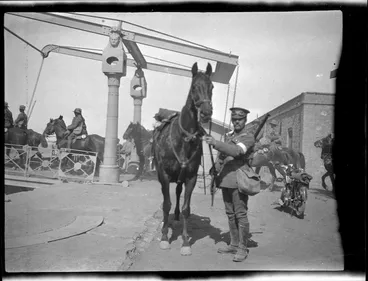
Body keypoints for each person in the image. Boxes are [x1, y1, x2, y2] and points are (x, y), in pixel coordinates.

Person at [203, 107, 255, 262]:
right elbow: (221, 157)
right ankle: (233, 243)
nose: (236, 122)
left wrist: (216, 143)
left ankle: (242, 248)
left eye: (239, 119)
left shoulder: (248, 137)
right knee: (230, 214)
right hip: (226, 179)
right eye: (234, 119)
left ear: (245, 120)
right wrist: (215, 172)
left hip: (239, 179)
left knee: (240, 214)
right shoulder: (228, 136)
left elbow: (237, 152)